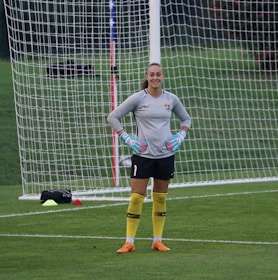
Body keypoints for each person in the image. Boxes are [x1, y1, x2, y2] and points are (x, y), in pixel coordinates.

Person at [107, 63, 191, 253]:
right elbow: (113, 117)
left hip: (165, 155)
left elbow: (186, 119)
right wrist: (127, 138)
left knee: (160, 198)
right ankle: (129, 242)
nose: (155, 78)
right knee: (137, 197)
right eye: (152, 74)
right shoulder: (138, 98)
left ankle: (157, 240)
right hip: (142, 156)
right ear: (147, 76)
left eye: (158, 75)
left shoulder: (171, 99)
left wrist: (180, 135)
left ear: (162, 76)